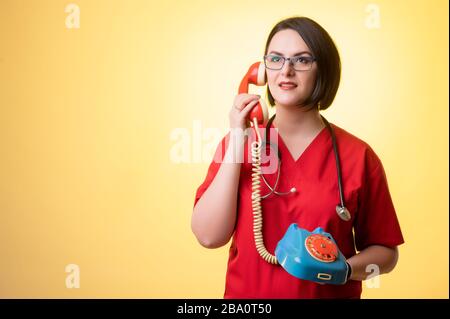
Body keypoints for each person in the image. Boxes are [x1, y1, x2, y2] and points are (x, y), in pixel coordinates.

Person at [191, 16, 404, 299]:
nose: (286, 71)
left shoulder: (359, 156)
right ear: (261, 72)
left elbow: (386, 255)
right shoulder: (239, 144)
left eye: (302, 60)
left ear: (323, 71)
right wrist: (238, 139)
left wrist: (343, 270)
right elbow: (208, 236)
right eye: (276, 59)